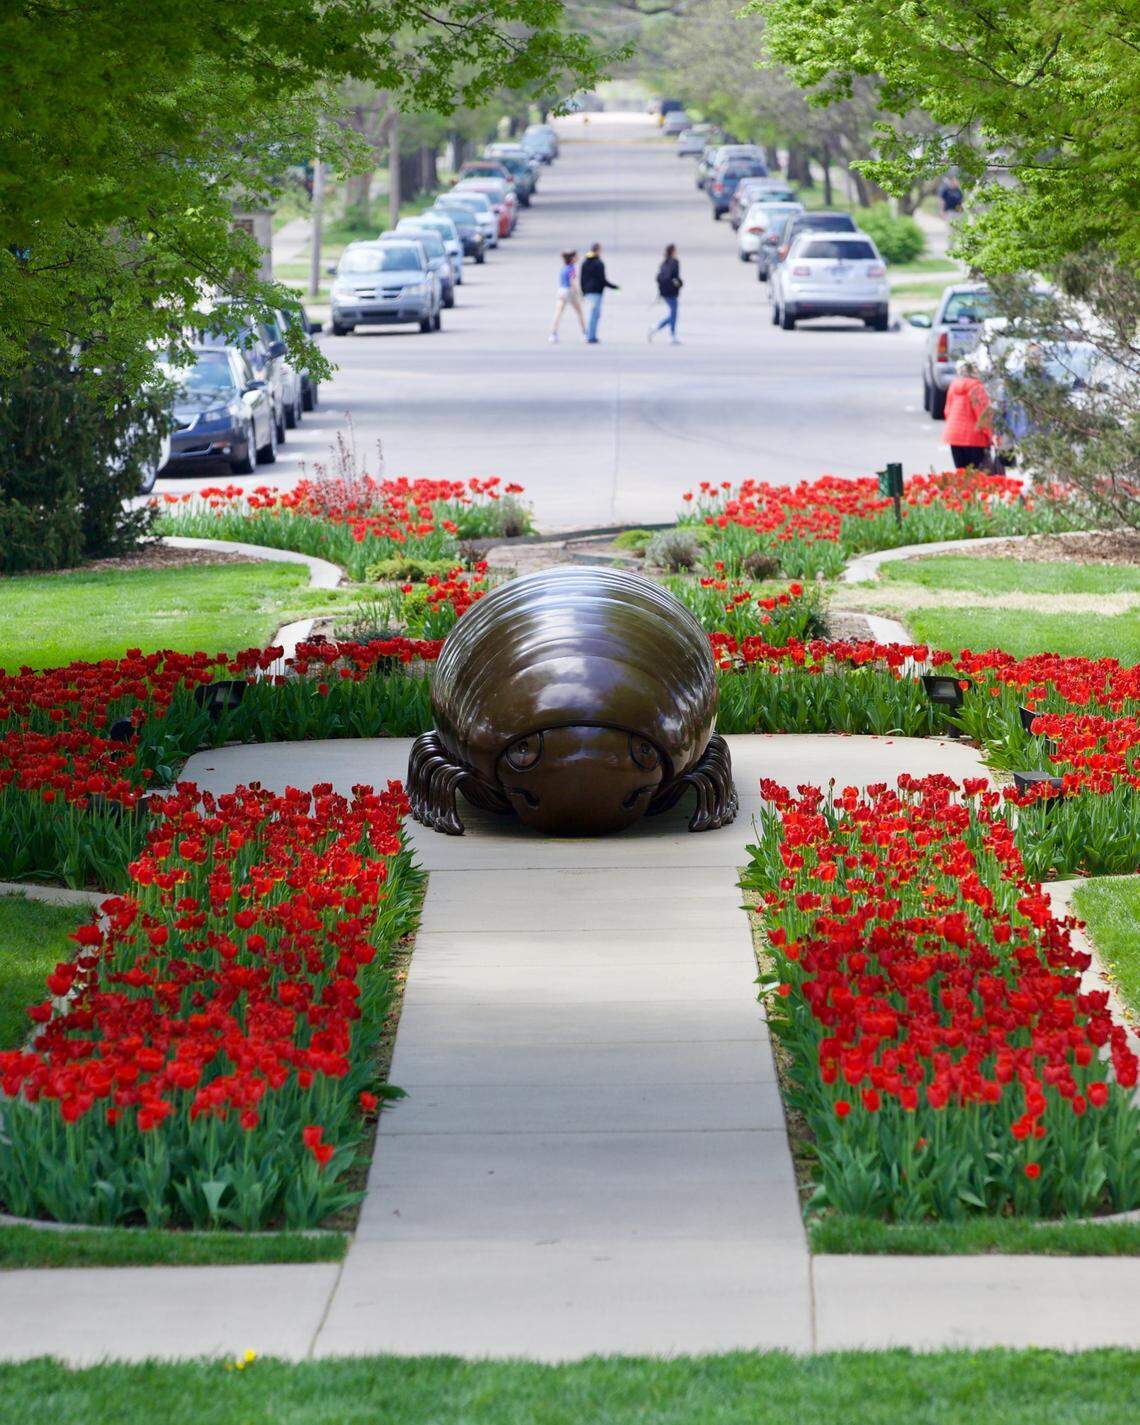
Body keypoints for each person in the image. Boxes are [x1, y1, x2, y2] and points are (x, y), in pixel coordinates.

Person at [943, 358, 993, 470]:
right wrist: (990, 436)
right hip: (974, 439)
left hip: (954, 436)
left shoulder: (953, 386)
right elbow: (983, 416)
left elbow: (947, 411)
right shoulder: (977, 388)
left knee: (961, 473)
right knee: (976, 475)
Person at [579, 242, 619, 343]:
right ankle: (590, 336)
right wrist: (614, 287)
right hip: (596, 292)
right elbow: (602, 280)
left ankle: (591, 335)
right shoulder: (599, 263)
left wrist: (583, 291)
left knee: (593, 314)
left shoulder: (585, 263)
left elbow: (581, 279)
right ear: (598, 250)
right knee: (594, 315)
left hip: (587, 291)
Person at [648, 243, 682, 344]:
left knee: (673, 314)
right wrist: (679, 284)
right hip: (671, 291)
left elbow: (660, 277)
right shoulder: (674, 262)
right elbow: (674, 277)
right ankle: (672, 335)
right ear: (673, 251)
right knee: (674, 314)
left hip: (664, 292)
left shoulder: (664, 263)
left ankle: (655, 328)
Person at [549, 250, 585, 343]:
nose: (577, 258)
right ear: (572, 259)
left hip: (561, 291)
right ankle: (585, 333)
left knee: (558, 313)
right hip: (569, 291)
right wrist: (580, 294)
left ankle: (553, 334)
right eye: (576, 257)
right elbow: (573, 282)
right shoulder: (572, 269)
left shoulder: (564, 268)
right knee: (579, 313)